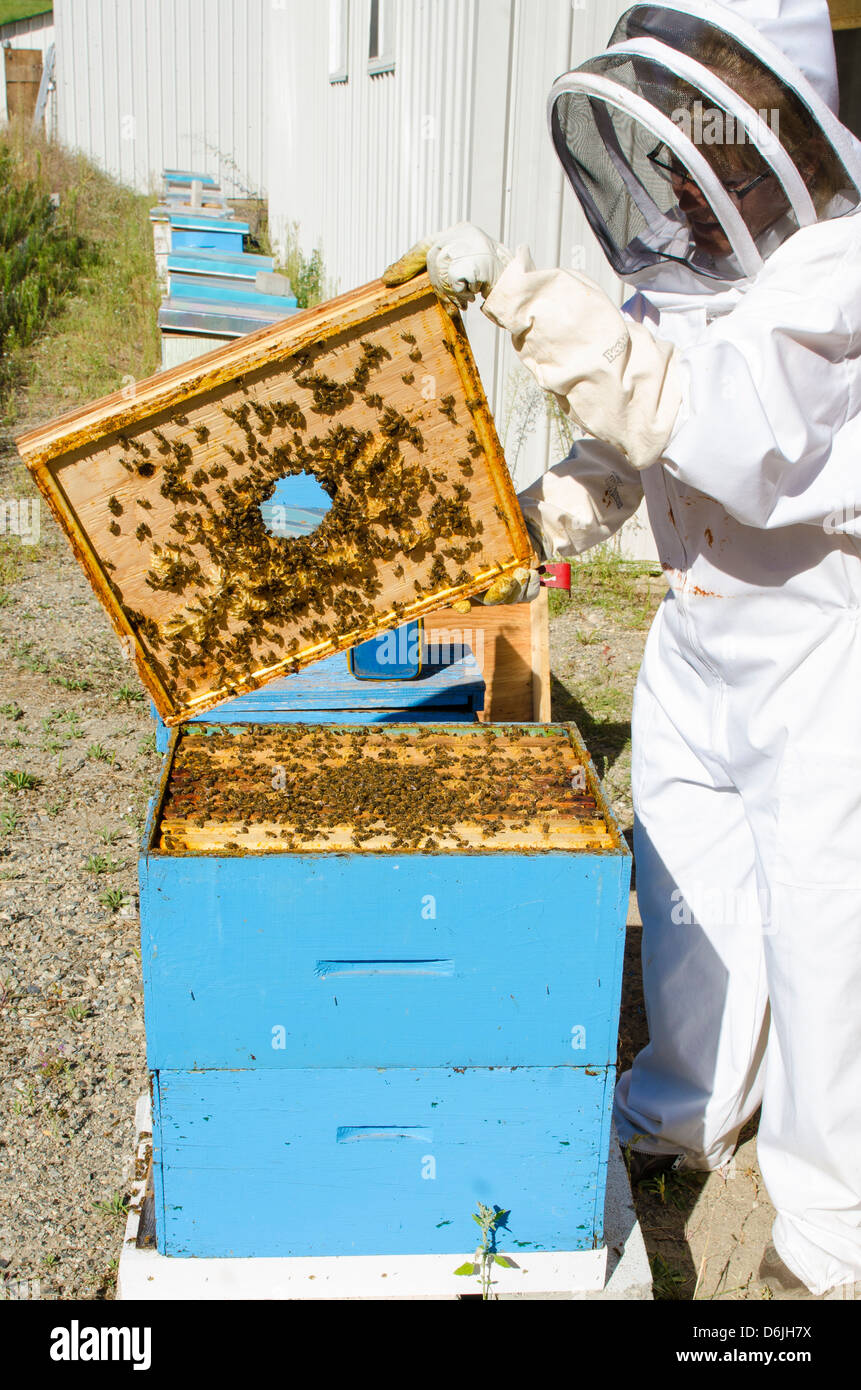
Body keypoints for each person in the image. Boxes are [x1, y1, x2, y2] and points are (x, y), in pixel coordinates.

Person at [384, 0, 861, 1298]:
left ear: (772, 133)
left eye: (709, 138)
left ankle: (827, 1236)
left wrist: (525, 295)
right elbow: (625, 439)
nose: (682, 184)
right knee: (690, 891)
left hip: (822, 645)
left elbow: (719, 428)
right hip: (696, 632)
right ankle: (679, 1112)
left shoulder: (834, 272)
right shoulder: (694, 270)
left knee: (826, 932)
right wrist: (532, 521)